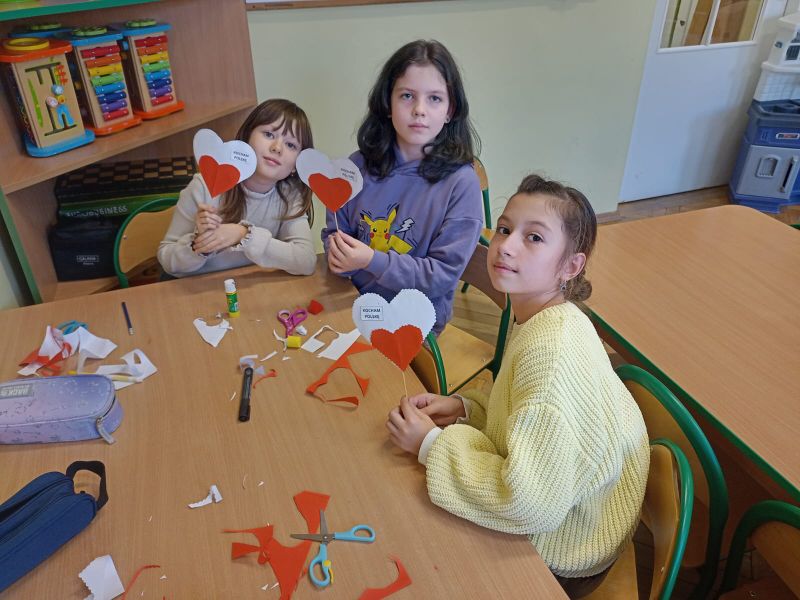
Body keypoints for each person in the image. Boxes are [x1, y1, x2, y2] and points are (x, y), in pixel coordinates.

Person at [385, 175, 650, 598]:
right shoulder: (545, 316)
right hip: (563, 507)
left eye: (534, 237)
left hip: (567, 549)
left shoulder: (552, 356)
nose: (506, 246)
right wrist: (466, 410)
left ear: (570, 266)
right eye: (505, 229)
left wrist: (431, 445)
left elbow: (528, 504)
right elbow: (521, 412)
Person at [322, 40, 483, 334]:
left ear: (450, 110)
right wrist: (337, 253)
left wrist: (371, 260)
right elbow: (335, 231)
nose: (419, 110)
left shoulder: (461, 184)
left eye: (434, 98)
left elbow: (442, 276)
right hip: (351, 302)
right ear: (388, 103)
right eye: (407, 96)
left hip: (412, 325)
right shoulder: (355, 167)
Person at [158, 99, 316, 277]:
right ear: (247, 137)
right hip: (199, 287)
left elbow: (306, 262)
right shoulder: (203, 186)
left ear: (296, 164)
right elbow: (167, 260)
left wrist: (244, 235)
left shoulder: (290, 195)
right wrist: (199, 244)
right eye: (269, 134)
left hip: (250, 287)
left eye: (290, 145)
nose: (277, 148)